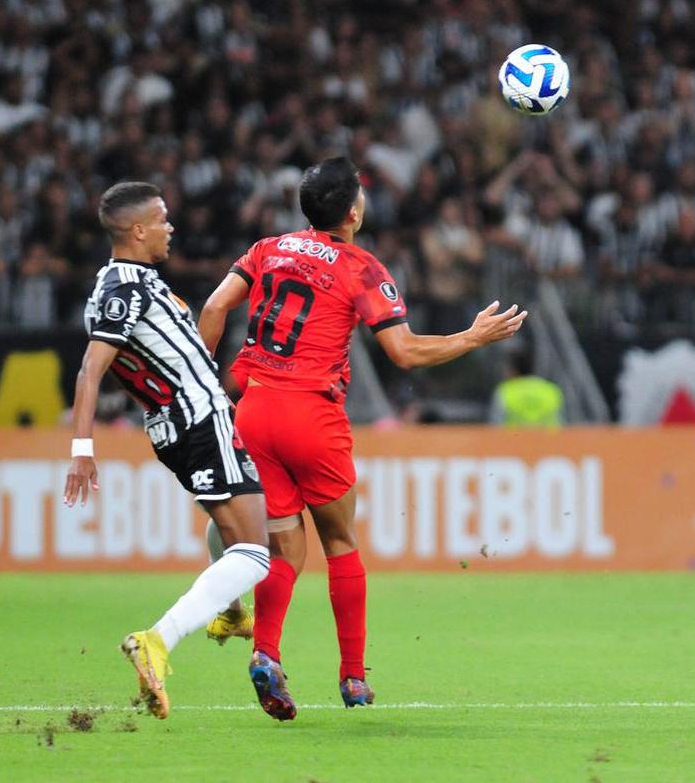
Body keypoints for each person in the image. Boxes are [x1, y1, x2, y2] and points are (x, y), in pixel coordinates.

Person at [199, 157, 528, 720]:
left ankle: (265, 653)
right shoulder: (361, 267)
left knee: (284, 548)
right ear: (353, 211)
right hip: (312, 416)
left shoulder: (265, 249)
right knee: (340, 542)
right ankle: (352, 677)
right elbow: (404, 352)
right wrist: (471, 338)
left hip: (253, 412)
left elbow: (213, 307)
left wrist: (210, 384)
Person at [63, 181, 269, 720]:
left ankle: (226, 610)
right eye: (161, 219)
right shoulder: (122, 289)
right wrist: (82, 447)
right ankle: (158, 638)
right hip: (198, 421)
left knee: (235, 517)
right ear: (137, 231)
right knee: (255, 551)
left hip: (191, 422)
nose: (170, 227)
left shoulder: (136, 283)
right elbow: (91, 368)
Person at [489, 351, 565, 428]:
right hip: (548, 438)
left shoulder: (506, 390)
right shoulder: (551, 388)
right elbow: (561, 419)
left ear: (514, 370)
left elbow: (496, 421)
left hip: (514, 438)